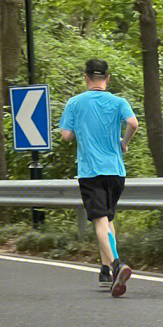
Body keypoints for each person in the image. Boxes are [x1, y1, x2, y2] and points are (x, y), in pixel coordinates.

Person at [59, 58, 140, 297]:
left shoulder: (75, 103)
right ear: (108, 78)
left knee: (99, 221)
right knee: (108, 218)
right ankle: (106, 269)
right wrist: (124, 143)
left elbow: (66, 136)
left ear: (86, 78)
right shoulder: (119, 101)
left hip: (91, 171)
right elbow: (133, 123)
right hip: (116, 171)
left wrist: (78, 130)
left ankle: (117, 264)